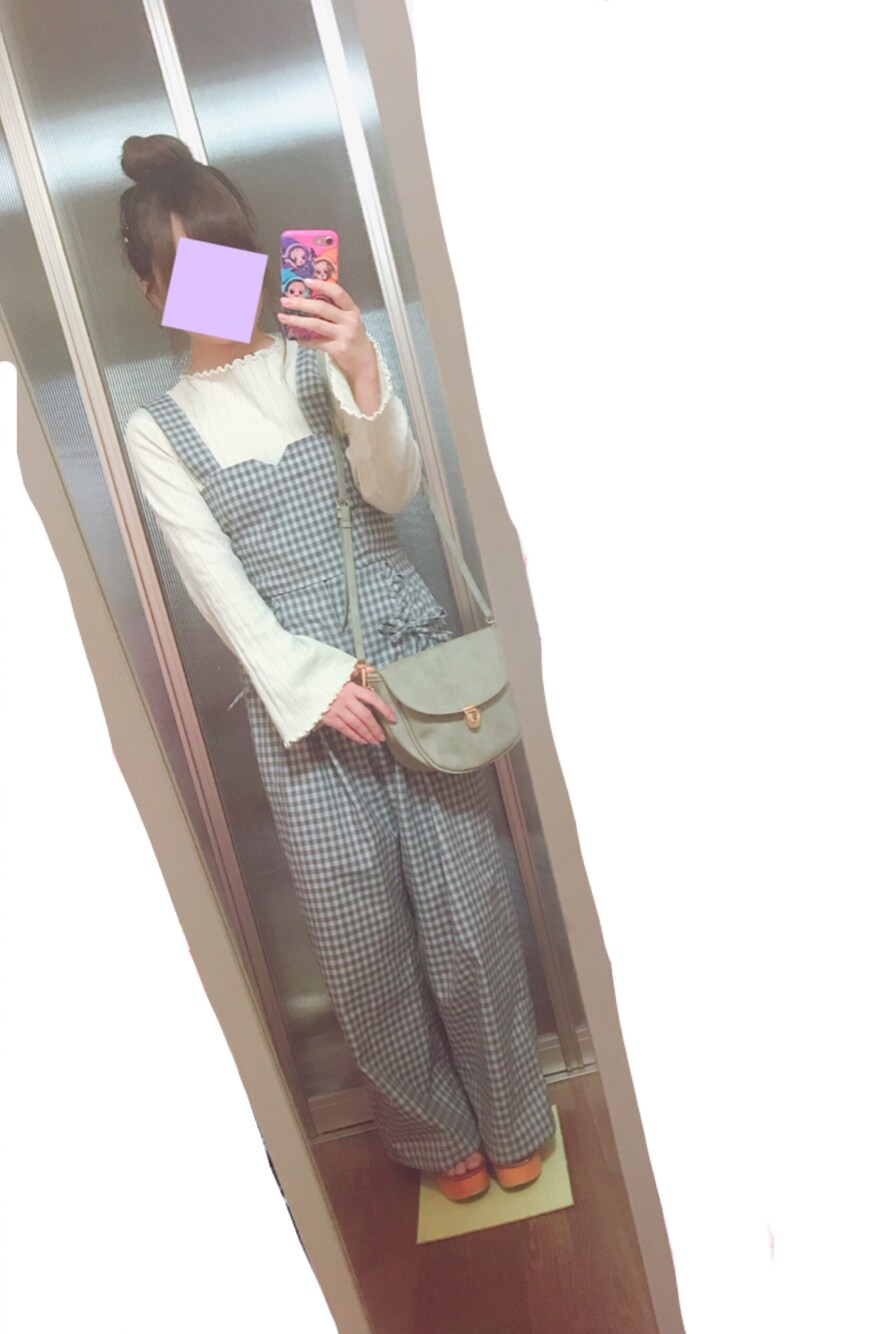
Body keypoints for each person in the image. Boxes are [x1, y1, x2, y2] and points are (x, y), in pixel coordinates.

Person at [118, 134, 555, 1203]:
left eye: (232, 259)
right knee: (362, 945)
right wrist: (314, 687)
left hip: (410, 662)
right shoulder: (156, 427)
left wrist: (363, 368)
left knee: (471, 908)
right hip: (301, 704)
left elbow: (394, 491)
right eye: (191, 272)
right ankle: (433, 1133)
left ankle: (512, 1110)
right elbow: (215, 585)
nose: (222, 288)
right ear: (152, 292)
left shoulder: (321, 358)